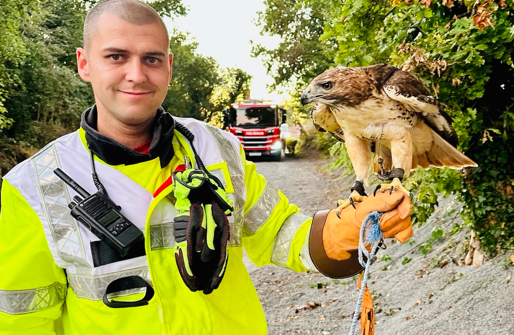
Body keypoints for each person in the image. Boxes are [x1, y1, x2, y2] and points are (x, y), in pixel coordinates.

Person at [0, 1, 413, 334]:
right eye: (116, 56)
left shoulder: (215, 146)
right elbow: (21, 319)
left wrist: (344, 231)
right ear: (84, 64)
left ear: (169, 65)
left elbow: (281, 234)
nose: (136, 74)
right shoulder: (32, 188)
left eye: (152, 59)